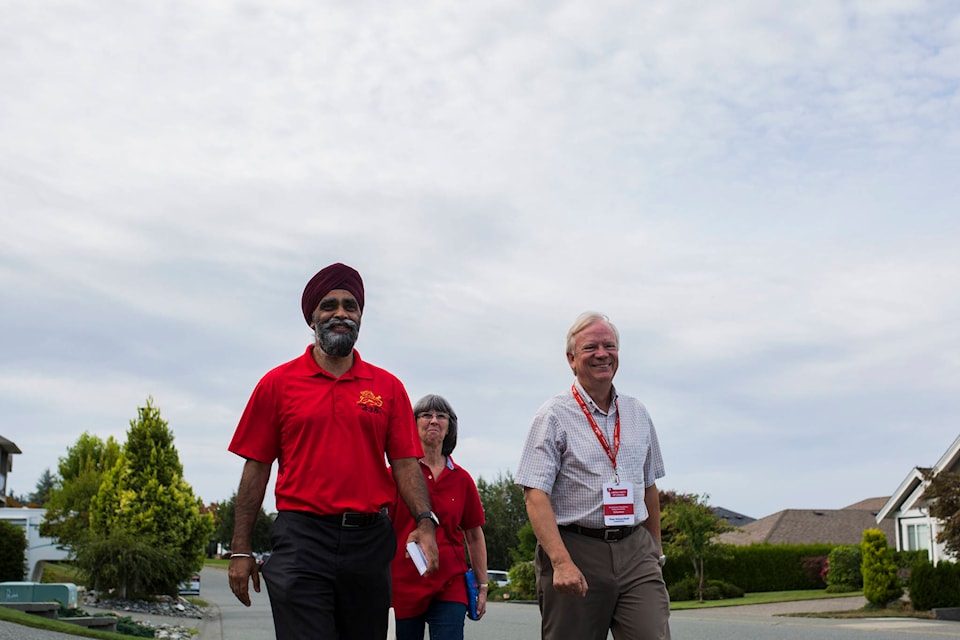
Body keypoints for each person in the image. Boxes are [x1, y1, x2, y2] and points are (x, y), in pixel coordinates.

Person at [227, 262, 440, 640]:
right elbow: (256, 469)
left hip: (368, 542)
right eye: (329, 305)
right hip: (301, 540)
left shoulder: (387, 387)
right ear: (312, 318)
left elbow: (406, 465)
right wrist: (240, 549)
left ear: (360, 316)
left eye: (350, 306)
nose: (340, 313)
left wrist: (425, 523)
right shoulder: (277, 384)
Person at [515, 311, 670, 640]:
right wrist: (560, 562)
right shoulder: (553, 416)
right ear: (571, 359)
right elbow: (534, 495)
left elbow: (649, 487)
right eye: (590, 348)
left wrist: (654, 551)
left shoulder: (637, 413)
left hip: (635, 549)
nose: (602, 354)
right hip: (577, 548)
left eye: (609, 346)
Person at [390, 394, 488, 640]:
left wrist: (482, 585)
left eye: (441, 416)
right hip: (402, 584)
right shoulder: (395, 475)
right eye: (426, 415)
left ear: (449, 428)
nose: (434, 421)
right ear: (413, 425)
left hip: (450, 583)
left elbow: (474, 536)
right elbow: (378, 532)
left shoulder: (462, 479)